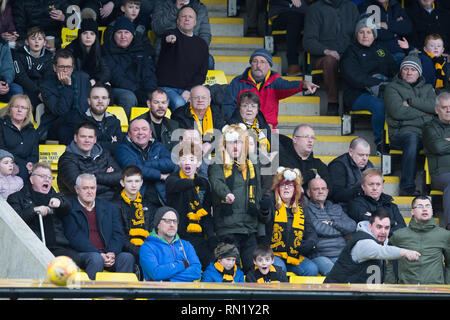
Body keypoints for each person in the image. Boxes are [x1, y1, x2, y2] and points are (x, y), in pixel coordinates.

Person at [208, 124, 267, 273]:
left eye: (239, 142)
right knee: (232, 272)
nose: (235, 146)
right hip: (227, 228)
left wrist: (261, 232)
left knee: (253, 270)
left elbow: (258, 195)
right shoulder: (217, 162)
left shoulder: (252, 164)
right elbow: (217, 182)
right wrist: (225, 194)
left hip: (249, 228)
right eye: (231, 142)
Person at [340, 16, 398, 152]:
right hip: (358, 94)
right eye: (361, 32)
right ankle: (380, 143)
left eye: (369, 32)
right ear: (356, 34)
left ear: (374, 35)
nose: (365, 36)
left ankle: (397, 140)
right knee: (380, 105)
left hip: (384, 90)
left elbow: (394, 70)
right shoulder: (350, 52)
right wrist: (378, 83)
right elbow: (353, 77)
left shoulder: (381, 51)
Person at [7, 162, 81, 266]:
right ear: (31, 179)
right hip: (30, 248)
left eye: (50, 177)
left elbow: (67, 207)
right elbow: (14, 222)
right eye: (42, 176)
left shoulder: (56, 196)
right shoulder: (16, 198)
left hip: (56, 247)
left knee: (74, 260)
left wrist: (60, 203)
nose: (47, 179)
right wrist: (33, 210)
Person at [63, 173, 135, 280]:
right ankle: (89, 295)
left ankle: (121, 295)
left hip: (106, 253)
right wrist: (99, 254)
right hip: (82, 254)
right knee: (96, 259)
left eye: (92, 188)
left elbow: (118, 234)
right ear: (77, 189)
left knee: (127, 257)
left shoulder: (109, 207)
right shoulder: (69, 207)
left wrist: (112, 253)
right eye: (85, 188)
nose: (90, 191)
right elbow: (75, 237)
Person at [221, 48, 319, 127]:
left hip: (268, 128)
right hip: (242, 127)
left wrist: (303, 84)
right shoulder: (238, 82)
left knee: (277, 150)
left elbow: (288, 86)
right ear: (251, 64)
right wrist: (237, 124)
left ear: (269, 66)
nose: (258, 65)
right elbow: (228, 105)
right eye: (255, 61)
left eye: (263, 62)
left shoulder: (275, 82)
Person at [384, 51, 436, 196]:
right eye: (405, 69)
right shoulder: (392, 88)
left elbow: (435, 108)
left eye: (413, 69)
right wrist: (425, 113)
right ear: (401, 71)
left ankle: (437, 185)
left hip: (426, 132)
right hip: (401, 132)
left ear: (419, 73)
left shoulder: (428, 88)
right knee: (412, 138)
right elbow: (398, 112)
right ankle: (407, 186)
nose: (409, 72)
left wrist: (412, 103)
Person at [324, 208, 421, 284]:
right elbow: (382, 251)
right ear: (370, 226)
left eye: (386, 228)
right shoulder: (363, 242)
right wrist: (405, 252)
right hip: (334, 294)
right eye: (379, 227)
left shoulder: (382, 242)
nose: (383, 231)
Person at [303, 0, 359, 115]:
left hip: (347, 54)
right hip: (322, 57)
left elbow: (358, 35)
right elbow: (308, 41)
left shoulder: (351, 7)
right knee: (330, 60)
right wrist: (327, 51)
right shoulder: (315, 8)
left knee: (357, 59)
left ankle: (351, 104)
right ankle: (332, 103)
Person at [165, 141, 215, 269]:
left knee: (210, 262)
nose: (187, 162)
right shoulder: (172, 179)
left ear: (198, 163)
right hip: (177, 236)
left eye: (192, 159)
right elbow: (178, 185)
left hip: (198, 235)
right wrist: (192, 182)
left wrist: (210, 236)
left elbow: (206, 214)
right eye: (183, 159)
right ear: (178, 162)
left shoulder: (203, 183)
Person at [260, 167, 319, 276]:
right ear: (277, 188)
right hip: (273, 253)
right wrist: (264, 210)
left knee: (312, 269)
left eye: (290, 185)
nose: (286, 187)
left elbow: (311, 230)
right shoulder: (271, 202)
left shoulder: (301, 207)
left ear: (295, 189)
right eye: (283, 185)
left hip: (294, 254)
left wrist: (311, 242)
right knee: (280, 269)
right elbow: (265, 219)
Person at [385, 196, 450, 284]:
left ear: (432, 211)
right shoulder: (398, 235)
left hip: (435, 291)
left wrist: (446, 288)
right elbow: (390, 263)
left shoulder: (444, 235)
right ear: (412, 211)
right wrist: (390, 286)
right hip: (406, 292)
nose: (424, 209)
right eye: (419, 206)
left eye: (428, 206)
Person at [156, 5, 209, 111]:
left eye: (190, 17)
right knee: (180, 103)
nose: (187, 19)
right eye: (183, 16)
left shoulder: (202, 44)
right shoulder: (171, 35)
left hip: (189, 90)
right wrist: (170, 39)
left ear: (195, 22)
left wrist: (189, 90)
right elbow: (167, 37)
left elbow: (202, 73)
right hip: (166, 89)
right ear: (178, 20)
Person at [102, 15, 157, 118]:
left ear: (132, 35)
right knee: (129, 98)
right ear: (114, 35)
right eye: (119, 32)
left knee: (156, 97)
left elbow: (149, 73)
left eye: (126, 32)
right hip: (117, 89)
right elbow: (116, 75)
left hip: (139, 88)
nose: (123, 36)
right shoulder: (106, 50)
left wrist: (150, 90)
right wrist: (136, 90)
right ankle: (126, 130)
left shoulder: (141, 49)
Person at [115, 118, 175, 210]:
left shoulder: (158, 146)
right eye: (136, 130)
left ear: (150, 133)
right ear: (129, 134)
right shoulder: (122, 149)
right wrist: (160, 176)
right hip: (138, 199)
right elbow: (133, 170)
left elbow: (170, 164)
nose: (140, 132)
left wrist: (143, 164)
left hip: (162, 198)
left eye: (144, 129)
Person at [57, 121, 122, 201]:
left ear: (95, 139)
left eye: (90, 137)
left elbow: (121, 177)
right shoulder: (66, 160)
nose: (87, 140)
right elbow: (80, 189)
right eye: (83, 136)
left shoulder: (104, 153)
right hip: (81, 207)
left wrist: (96, 177)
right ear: (75, 138)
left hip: (110, 203)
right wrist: (110, 181)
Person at [305, 177, 356, 276]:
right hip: (320, 256)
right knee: (334, 273)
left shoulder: (336, 208)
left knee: (356, 272)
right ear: (308, 192)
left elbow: (351, 226)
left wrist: (331, 223)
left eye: (323, 189)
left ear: (327, 191)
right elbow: (317, 228)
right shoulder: (306, 209)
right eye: (316, 189)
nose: (320, 191)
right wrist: (341, 230)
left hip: (341, 254)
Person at [39, 49, 91, 144]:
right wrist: (68, 86)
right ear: (54, 67)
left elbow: (87, 105)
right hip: (56, 124)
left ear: (73, 67)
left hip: (82, 122)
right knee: (72, 119)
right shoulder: (46, 86)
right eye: (62, 67)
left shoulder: (83, 78)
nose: (65, 70)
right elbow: (60, 111)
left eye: (68, 67)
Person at [139, 206, 202, 281]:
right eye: (167, 221)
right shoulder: (147, 247)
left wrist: (168, 279)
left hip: (185, 291)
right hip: (158, 292)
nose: (172, 224)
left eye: (175, 221)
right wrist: (182, 264)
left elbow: (196, 272)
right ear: (157, 224)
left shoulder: (186, 245)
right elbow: (156, 273)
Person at [112, 165, 152, 269]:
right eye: (129, 181)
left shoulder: (147, 204)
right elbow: (120, 237)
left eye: (137, 181)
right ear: (122, 183)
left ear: (141, 182)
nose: (133, 185)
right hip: (125, 251)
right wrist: (140, 252)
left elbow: (152, 230)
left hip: (145, 249)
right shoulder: (114, 205)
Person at [347, 168, 406, 236]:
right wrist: (393, 222)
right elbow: (369, 228)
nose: (374, 188)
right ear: (363, 187)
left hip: (392, 242)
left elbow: (402, 228)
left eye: (378, 184)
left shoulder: (391, 206)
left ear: (382, 186)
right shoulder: (355, 204)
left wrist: (373, 216)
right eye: (371, 184)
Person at [171, 85, 225, 156]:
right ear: (190, 100)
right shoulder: (179, 115)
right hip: (190, 157)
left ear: (209, 101)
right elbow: (180, 141)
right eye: (196, 97)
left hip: (213, 154)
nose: (200, 100)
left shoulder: (217, 113)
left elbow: (221, 136)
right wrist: (199, 148)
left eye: (204, 97)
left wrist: (211, 145)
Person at [423, 92, 450, 230]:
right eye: (444, 107)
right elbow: (437, 147)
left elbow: (442, 145)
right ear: (436, 110)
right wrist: (442, 143)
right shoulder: (429, 128)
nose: (449, 110)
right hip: (441, 174)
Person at [12, 26, 54, 109]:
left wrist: (42, 92)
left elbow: (48, 78)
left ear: (45, 42)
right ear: (27, 42)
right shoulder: (18, 55)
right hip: (25, 88)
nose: (36, 42)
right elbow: (20, 77)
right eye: (33, 39)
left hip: (41, 90)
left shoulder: (49, 57)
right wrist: (37, 91)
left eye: (40, 39)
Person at [279, 124, 330, 192]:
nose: (310, 140)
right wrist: (312, 173)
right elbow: (290, 182)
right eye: (306, 137)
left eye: (312, 138)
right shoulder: (283, 160)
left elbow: (329, 190)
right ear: (295, 139)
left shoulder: (319, 164)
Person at [77, 84, 125, 156]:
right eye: (96, 98)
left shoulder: (115, 122)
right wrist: (110, 143)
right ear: (89, 101)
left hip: (112, 164)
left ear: (108, 101)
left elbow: (119, 147)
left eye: (104, 98)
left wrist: (95, 144)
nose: (100, 101)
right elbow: (81, 148)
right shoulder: (80, 121)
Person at [0, 94, 39, 180]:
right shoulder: (1, 125)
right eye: (16, 106)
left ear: (27, 112)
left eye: (23, 108)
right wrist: (24, 164)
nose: (19, 110)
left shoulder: (32, 130)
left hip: (25, 168)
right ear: (10, 108)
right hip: (6, 165)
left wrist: (31, 163)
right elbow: (2, 150)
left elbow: (35, 154)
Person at [328, 137, 373, 209]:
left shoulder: (369, 165)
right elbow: (336, 194)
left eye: (367, 155)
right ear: (351, 152)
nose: (365, 158)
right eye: (361, 155)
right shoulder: (338, 165)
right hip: (343, 207)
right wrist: (361, 191)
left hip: (364, 205)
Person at [65, 17, 111, 87]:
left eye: (92, 34)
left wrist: (95, 80)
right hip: (77, 85)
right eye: (85, 33)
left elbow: (106, 72)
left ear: (96, 36)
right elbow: (72, 73)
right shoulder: (71, 49)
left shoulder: (101, 49)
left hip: (94, 83)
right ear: (80, 35)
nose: (88, 37)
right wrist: (88, 81)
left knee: (107, 87)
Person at [268, 0, 308, 76]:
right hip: (280, 12)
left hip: (303, 11)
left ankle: (310, 64)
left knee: (315, 15)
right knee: (294, 18)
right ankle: (293, 64)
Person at [0, 36, 23, 103]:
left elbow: (8, 68)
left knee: (17, 90)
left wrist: (6, 82)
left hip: (1, 82)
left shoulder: (2, 42)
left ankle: (16, 113)